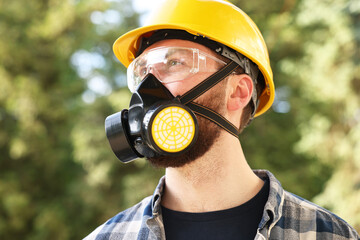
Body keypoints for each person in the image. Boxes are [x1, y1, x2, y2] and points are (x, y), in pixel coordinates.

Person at [85, 0, 360, 239]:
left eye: (174, 63)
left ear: (238, 93)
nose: (148, 88)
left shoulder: (328, 234)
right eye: (142, 71)